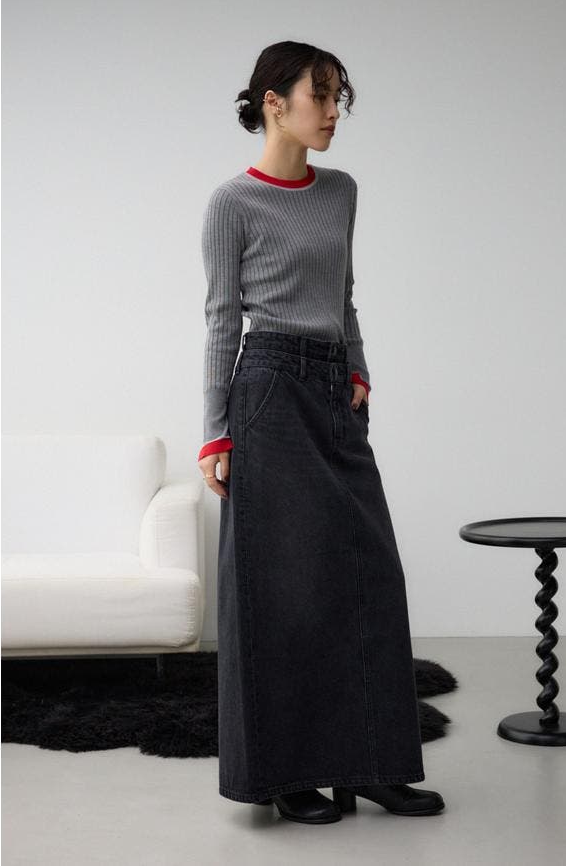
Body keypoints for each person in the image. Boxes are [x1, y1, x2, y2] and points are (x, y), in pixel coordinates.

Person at [198, 41, 445, 825]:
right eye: (322, 95)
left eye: (340, 97)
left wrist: (359, 367)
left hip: (334, 387)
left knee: (370, 575)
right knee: (285, 590)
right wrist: (214, 433)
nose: (334, 112)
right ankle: (289, 772)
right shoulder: (232, 203)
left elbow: (343, 295)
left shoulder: (340, 191)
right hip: (268, 391)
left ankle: (372, 764)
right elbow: (222, 321)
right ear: (275, 102)